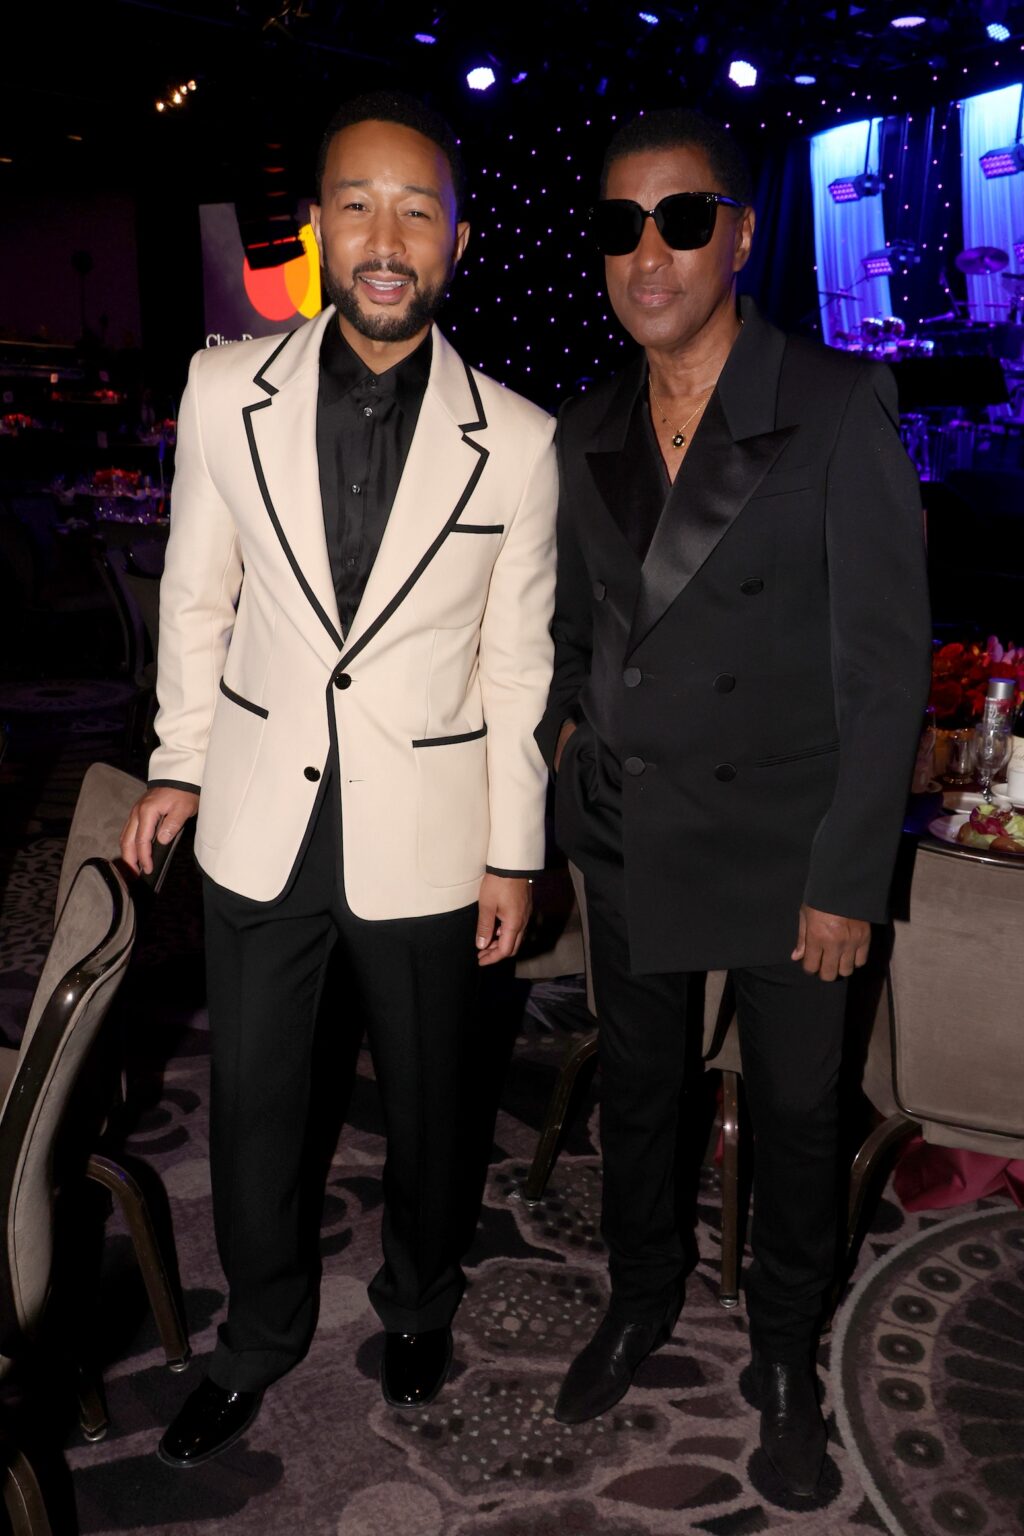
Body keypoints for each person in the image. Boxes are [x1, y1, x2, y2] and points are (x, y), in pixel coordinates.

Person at [121, 90, 557, 1467]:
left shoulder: (522, 442)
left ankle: (420, 1300)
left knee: (432, 1102)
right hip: (262, 813)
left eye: (416, 208)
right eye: (358, 203)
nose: (385, 235)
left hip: (431, 830)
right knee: (256, 1105)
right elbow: (196, 598)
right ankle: (254, 1340)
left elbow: (518, 668)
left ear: (459, 241)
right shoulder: (218, 389)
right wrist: (178, 766)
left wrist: (514, 850)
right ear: (316, 226)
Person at [536, 107, 930, 1498]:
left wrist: (844, 878)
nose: (649, 254)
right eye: (619, 226)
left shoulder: (830, 405)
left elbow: (886, 677)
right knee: (637, 1099)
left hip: (788, 851)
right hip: (634, 832)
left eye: (683, 219)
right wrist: (570, 735)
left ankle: (778, 1351)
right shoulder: (587, 423)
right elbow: (573, 634)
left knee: (797, 1116)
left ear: (744, 235)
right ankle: (639, 1297)